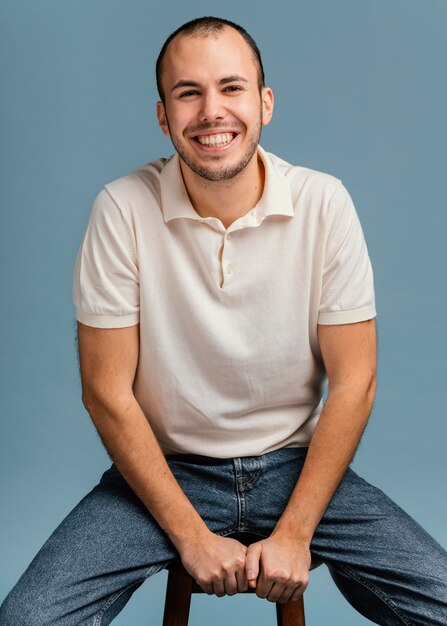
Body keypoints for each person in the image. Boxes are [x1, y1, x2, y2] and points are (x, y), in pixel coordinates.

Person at [1, 15, 446, 626]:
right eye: (189, 93)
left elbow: (355, 385)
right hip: (163, 470)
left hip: (296, 466)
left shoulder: (324, 202)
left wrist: (295, 532)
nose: (213, 112)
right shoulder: (121, 208)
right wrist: (191, 536)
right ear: (164, 116)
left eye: (231, 88)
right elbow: (105, 392)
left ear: (265, 103)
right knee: (28, 619)